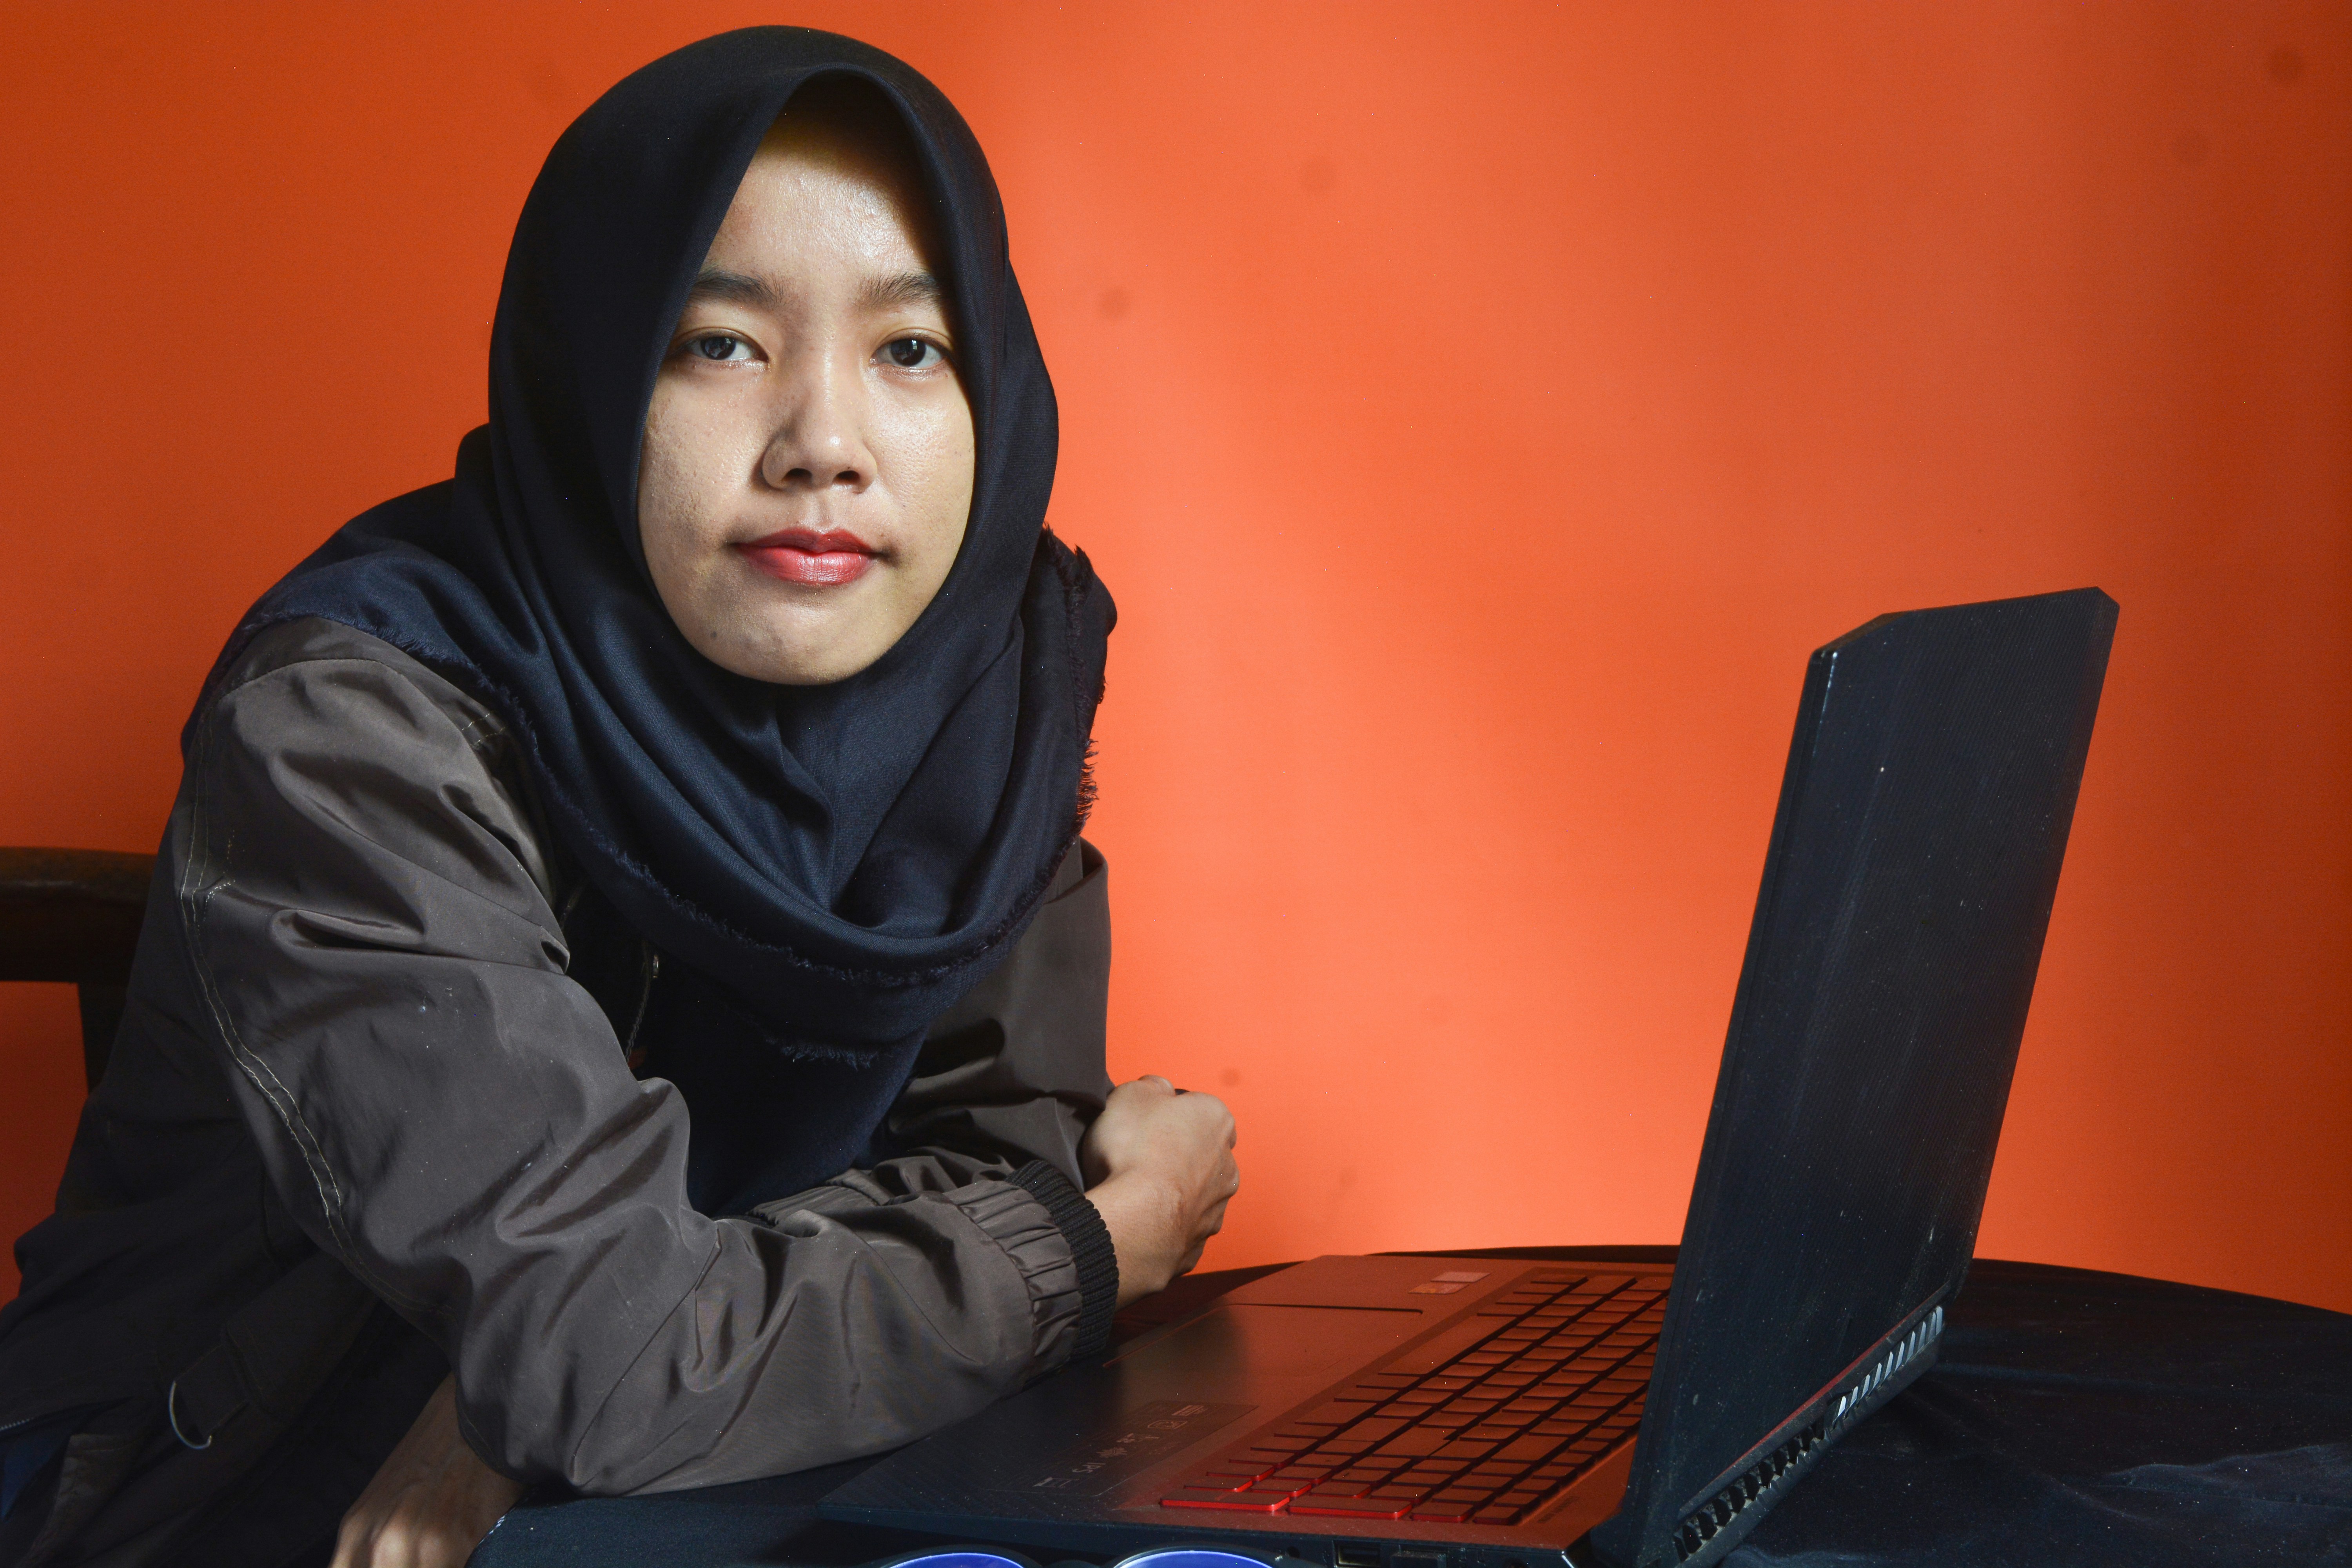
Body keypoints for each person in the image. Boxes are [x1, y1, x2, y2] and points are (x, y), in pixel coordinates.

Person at [0, 27, 1238, 1568]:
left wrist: (533, 1408)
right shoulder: (346, 731)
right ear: (590, 369)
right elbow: (629, 1344)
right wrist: (1105, 1242)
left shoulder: (977, 693)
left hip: (695, 1474)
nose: (825, 445)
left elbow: (984, 1162)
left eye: (911, 350)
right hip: (227, 1497)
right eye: (720, 343)